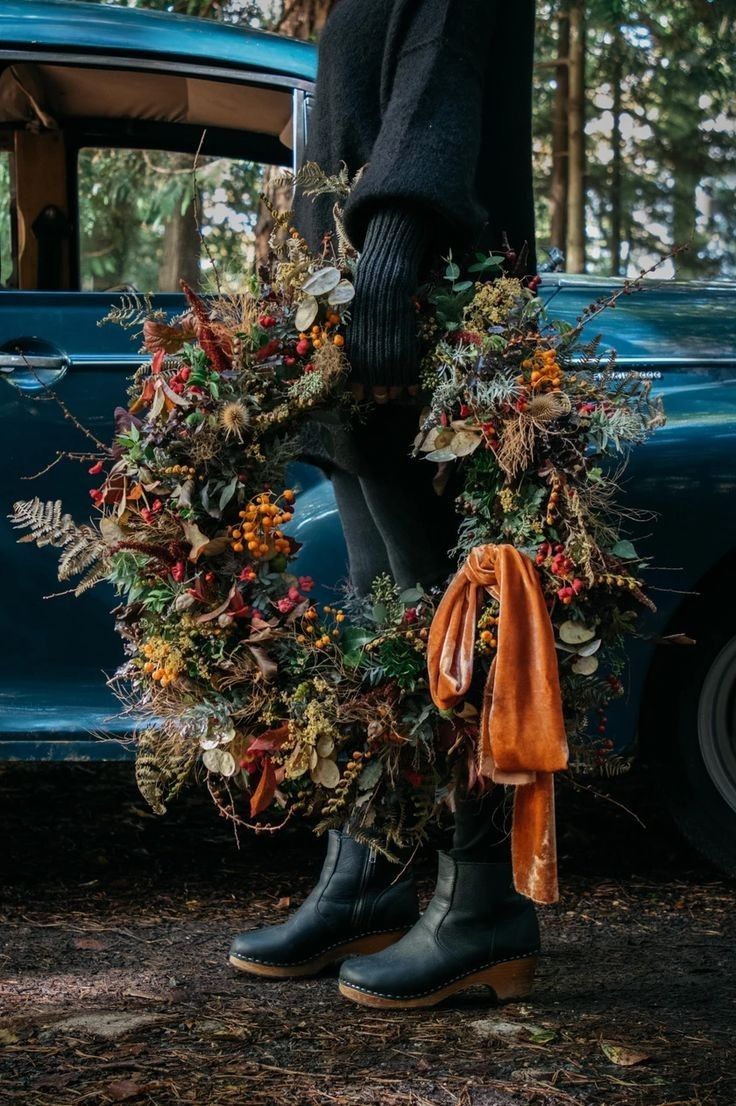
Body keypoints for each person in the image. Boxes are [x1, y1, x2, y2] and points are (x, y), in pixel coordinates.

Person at [230, 0, 541, 1008]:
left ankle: (481, 901)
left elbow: (440, 79)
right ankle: (367, 873)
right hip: (355, 312)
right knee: (382, 615)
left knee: (446, 624)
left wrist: (394, 247)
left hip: (417, 309)